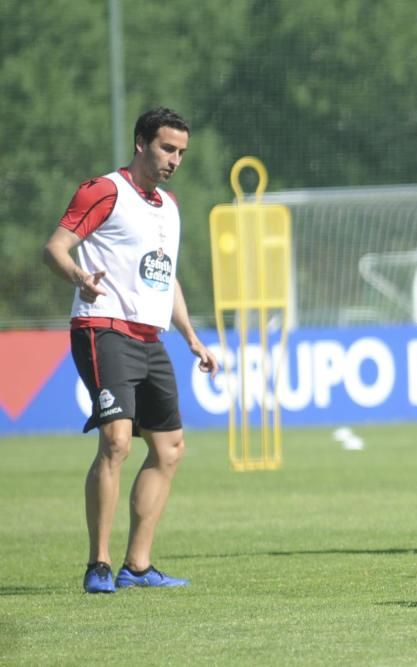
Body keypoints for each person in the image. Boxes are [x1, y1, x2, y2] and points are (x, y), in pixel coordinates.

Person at [42, 107, 219, 593]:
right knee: (117, 442)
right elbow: (56, 247)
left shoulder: (170, 205)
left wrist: (191, 336)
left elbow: (166, 276)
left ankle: (136, 567)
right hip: (103, 328)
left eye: (181, 152)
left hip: (150, 335)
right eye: (167, 148)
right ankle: (98, 565)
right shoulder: (103, 191)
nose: (174, 159)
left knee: (170, 448)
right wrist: (79, 276)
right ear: (140, 142)